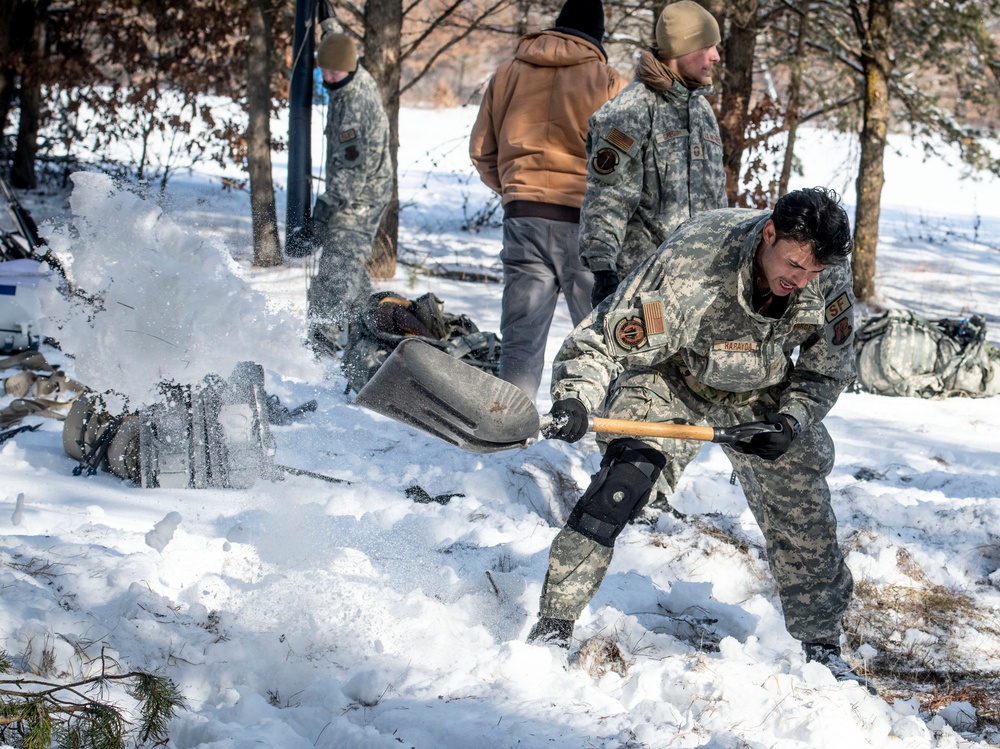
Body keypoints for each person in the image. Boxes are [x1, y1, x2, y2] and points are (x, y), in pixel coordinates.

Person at [526, 187, 875, 693]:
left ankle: (822, 645)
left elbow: (828, 370)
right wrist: (577, 398)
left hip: (764, 393)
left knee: (802, 505)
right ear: (770, 232)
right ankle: (553, 625)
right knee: (622, 483)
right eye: (795, 265)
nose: (800, 281)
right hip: (672, 377)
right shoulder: (695, 261)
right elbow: (603, 339)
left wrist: (794, 420)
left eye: (812, 274)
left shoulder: (827, 272)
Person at [469, 0, 626, 401]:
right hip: (587, 225)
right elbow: (625, 161)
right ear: (598, 37)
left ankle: (507, 427)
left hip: (522, 216)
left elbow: (481, 151)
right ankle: (609, 439)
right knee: (601, 338)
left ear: (556, 28)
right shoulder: (608, 81)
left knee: (520, 336)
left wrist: (515, 191)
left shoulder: (507, 73)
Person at [581, 0, 728, 308]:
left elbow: (716, 200)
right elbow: (608, 195)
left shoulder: (701, 110)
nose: (715, 56)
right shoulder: (633, 108)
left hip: (700, 285)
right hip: (644, 284)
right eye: (708, 46)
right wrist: (603, 268)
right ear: (682, 47)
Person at [286, 32, 392, 354]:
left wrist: (320, 217)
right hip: (357, 192)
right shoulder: (353, 76)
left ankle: (322, 357)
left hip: (360, 200)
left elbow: (350, 175)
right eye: (325, 71)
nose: (330, 78)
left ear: (352, 66)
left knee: (333, 279)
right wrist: (326, 19)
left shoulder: (354, 109)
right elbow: (335, 35)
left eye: (336, 72)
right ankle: (366, 344)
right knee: (349, 275)